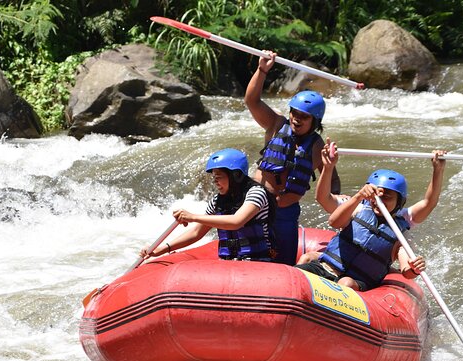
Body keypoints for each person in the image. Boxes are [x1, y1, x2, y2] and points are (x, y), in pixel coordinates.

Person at [296, 147, 447, 290]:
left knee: (345, 282)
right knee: (305, 261)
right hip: (327, 268)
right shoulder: (358, 206)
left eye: (387, 197)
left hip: (356, 281)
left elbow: (406, 270)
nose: (379, 200)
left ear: (400, 202)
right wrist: (329, 169)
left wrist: (414, 269)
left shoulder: (401, 232)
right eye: (376, 194)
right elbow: (333, 220)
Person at [244, 51, 340, 266]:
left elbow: (332, 182)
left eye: (304, 116)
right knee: (249, 256)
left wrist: (341, 207)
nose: (297, 119)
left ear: (315, 120)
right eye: (294, 113)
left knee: (285, 264)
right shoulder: (276, 125)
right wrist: (262, 70)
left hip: (287, 214)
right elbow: (252, 101)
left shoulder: (318, 147)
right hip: (258, 205)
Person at [141, 148, 277, 261]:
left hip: (258, 262)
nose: (215, 182)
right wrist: (162, 249)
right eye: (214, 177)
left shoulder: (256, 193)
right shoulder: (217, 200)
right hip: (228, 264)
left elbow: (236, 221)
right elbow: (196, 232)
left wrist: (193, 217)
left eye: (219, 177)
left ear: (236, 176)